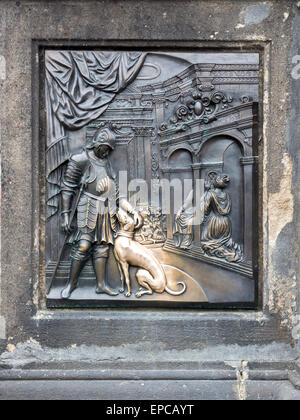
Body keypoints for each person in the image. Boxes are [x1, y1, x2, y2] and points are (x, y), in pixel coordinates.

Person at [60, 127, 142, 299]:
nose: (107, 152)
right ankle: (71, 283)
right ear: (97, 143)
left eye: (109, 150)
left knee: (102, 247)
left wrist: (133, 211)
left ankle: (101, 285)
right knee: (83, 245)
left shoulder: (106, 163)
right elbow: (68, 187)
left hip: (105, 210)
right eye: (105, 148)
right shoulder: (80, 159)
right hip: (87, 206)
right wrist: (66, 215)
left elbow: (117, 194)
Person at [201, 173, 242, 263]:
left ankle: (228, 254)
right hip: (226, 222)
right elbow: (228, 208)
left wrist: (207, 191)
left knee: (208, 243)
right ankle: (232, 251)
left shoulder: (210, 193)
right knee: (223, 241)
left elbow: (204, 208)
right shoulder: (226, 195)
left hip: (215, 222)